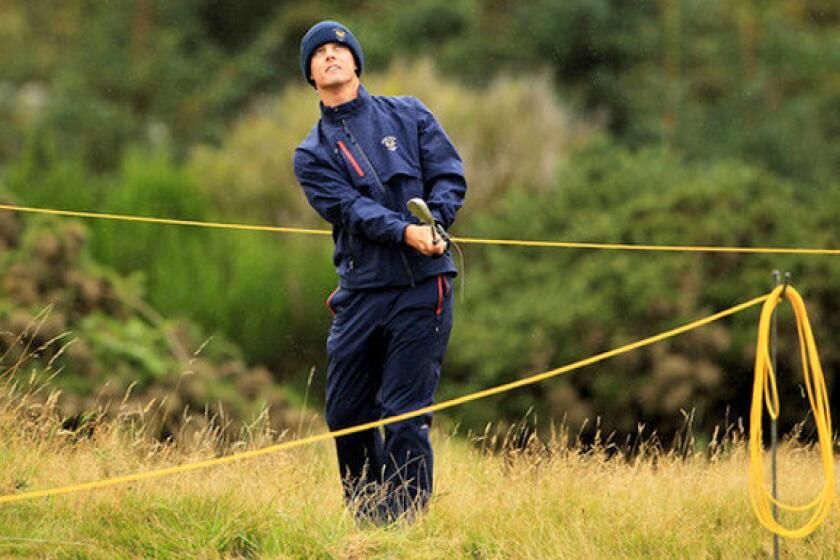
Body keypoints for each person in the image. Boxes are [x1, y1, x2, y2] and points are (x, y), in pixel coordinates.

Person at [293, 20, 466, 524]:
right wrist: (402, 232)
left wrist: (437, 220)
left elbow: (449, 175)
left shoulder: (409, 114)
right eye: (318, 52)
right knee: (346, 415)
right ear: (310, 73)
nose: (330, 56)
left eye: (338, 49)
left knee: (404, 415)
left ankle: (401, 530)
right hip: (361, 292)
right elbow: (349, 210)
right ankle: (368, 518)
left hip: (423, 288)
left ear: (356, 62)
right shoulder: (311, 154)